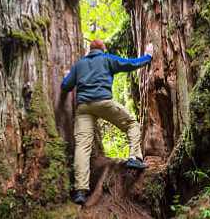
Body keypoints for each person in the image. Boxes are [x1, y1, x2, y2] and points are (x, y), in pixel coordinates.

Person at [61, 39, 154, 205]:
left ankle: (81, 190)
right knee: (131, 123)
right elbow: (129, 64)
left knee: (82, 147)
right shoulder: (107, 59)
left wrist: (68, 75)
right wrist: (147, 57)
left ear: (89, 50)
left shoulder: (79, 64)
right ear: (103, 49)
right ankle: (135, 158)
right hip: (103, 102)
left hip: (83, 108)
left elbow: (66, 86)